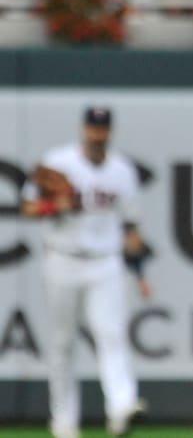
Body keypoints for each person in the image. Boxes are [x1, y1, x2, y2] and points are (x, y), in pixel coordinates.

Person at [21, 107, 151, 438]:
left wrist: (140, 271)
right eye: (93, 128)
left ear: (110, 132)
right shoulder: (60, 162)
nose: (97, 134)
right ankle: (64, 422)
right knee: (63, 342)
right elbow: (28, 207)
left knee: (111, 333)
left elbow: (131, 227)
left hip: (105, 260)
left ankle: (121, 407)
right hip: (63, 258)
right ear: (84, 129)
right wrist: (55, 206)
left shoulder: (122, 170)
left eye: (102, 129)